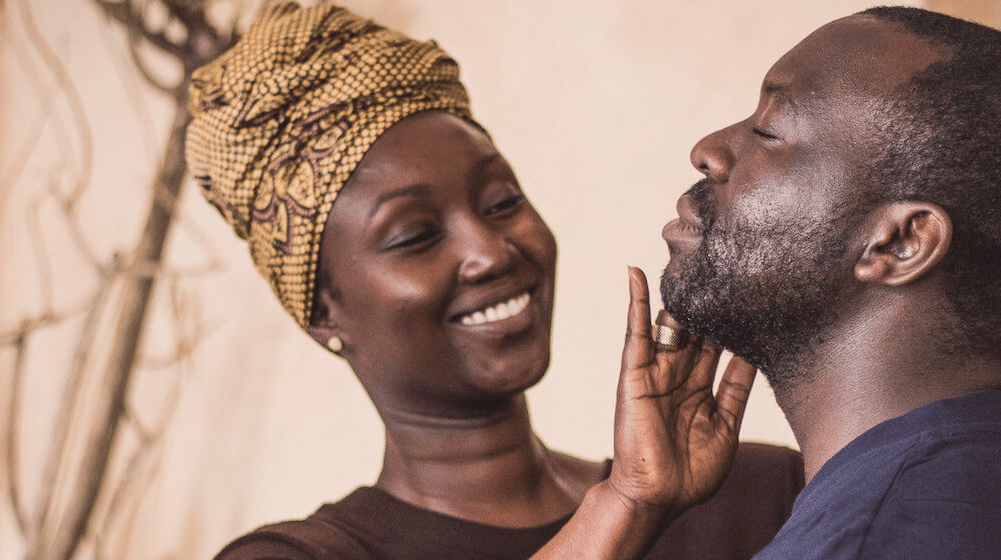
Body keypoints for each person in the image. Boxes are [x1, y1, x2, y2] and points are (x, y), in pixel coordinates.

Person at [186, 3, 803, 559]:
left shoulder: (758, 498)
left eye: (502, 201)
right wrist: (626, 507)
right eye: (415, 235)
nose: (490, 251)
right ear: (323, 312)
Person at [660, 6, 1001, 559]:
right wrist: (627, 502)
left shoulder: (871, 538)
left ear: (899, 243)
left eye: (768, 131)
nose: (708, 151)